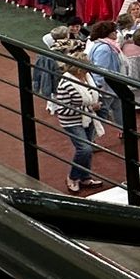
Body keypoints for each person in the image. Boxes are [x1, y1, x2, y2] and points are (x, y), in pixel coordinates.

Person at [49, 53, 103, 194]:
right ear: (80, 70)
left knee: (88, 148)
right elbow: (63, 110)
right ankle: (72, 177)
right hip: (73, 121)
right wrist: (91, 107)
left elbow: (93, 93)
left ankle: (85, 176)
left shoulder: (87, 78)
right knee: (84, 149)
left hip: (87, 118)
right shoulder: (67, 84)